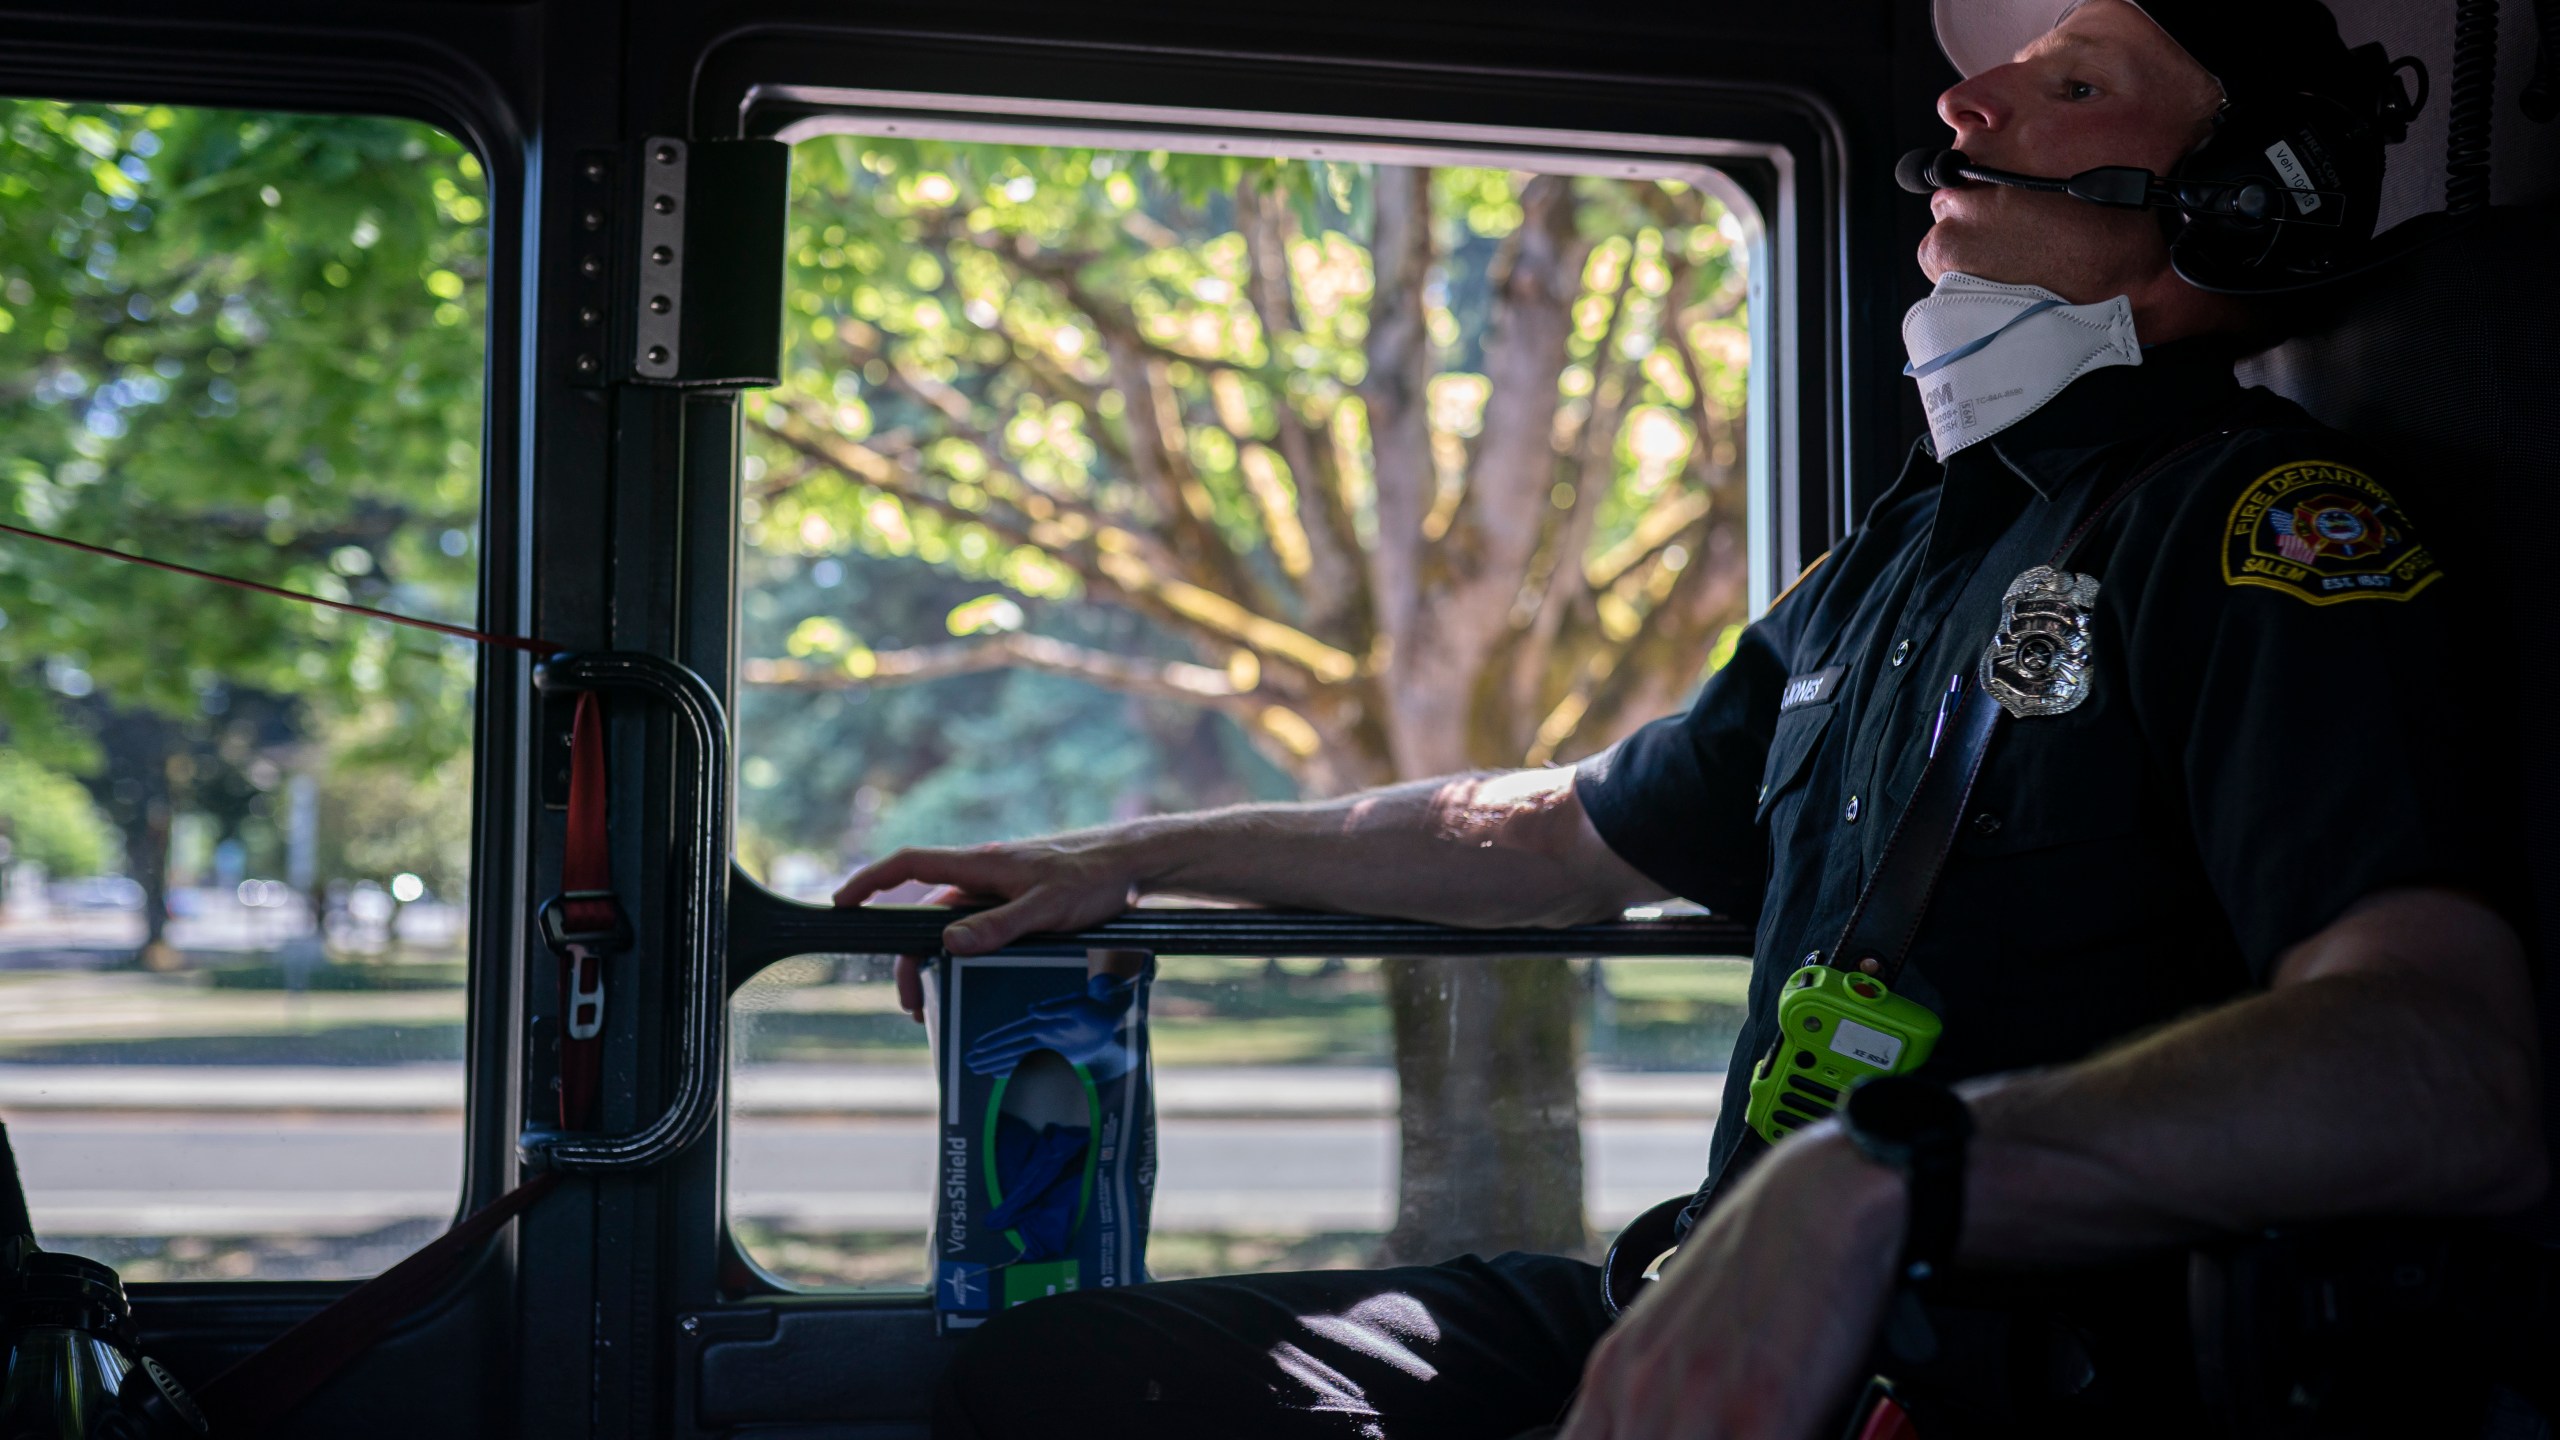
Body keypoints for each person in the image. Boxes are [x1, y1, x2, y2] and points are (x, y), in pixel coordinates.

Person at [834, 2, 2545, 1435]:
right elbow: (1561, 832)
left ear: (2241, 206)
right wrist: (1126, 854)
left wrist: (1885, 1181)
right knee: (1068, 1382)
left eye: (2076, 81)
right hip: (1703, 1279)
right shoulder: (1909, 546)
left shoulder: (2260, 536)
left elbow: (2445, 1067)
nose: (1970, 101)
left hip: (1984, 1363)